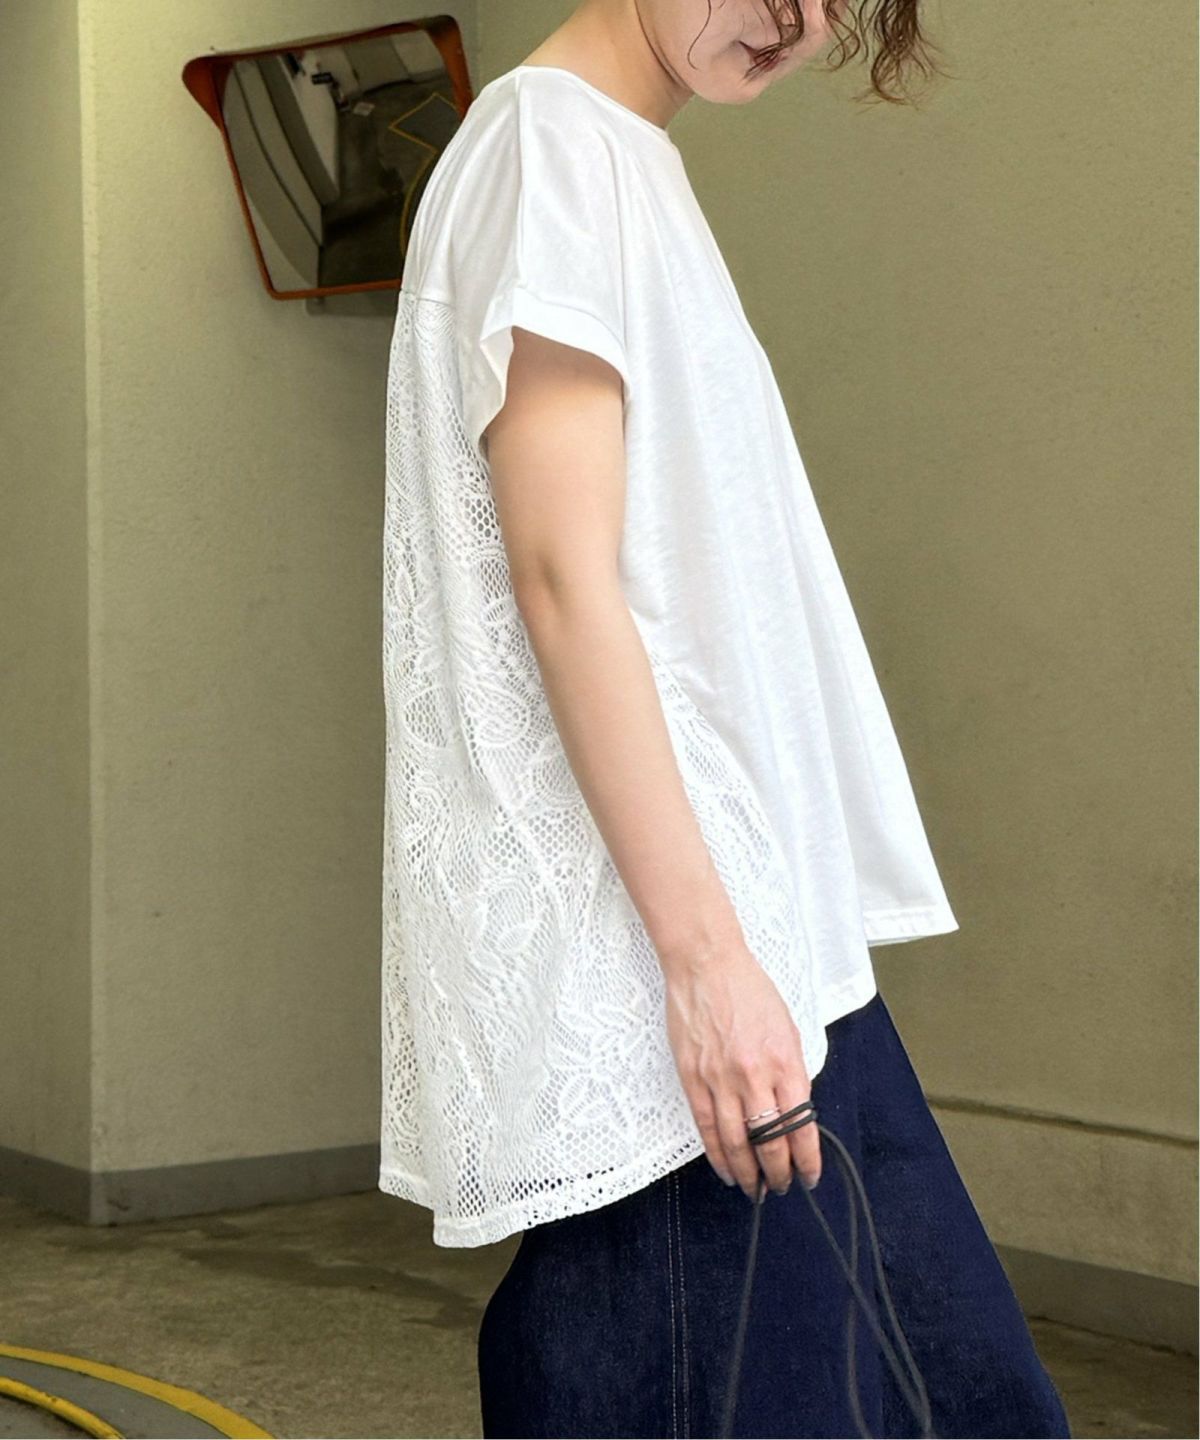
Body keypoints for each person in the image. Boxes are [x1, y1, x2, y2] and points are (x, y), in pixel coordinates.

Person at [380, 0, 1073, 1434]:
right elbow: (561, 578)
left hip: (766, 961)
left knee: (967, 1401)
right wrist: (704, 971)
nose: (797, 19)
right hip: (676, 996)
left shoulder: (613, 156)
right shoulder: (550, 149)